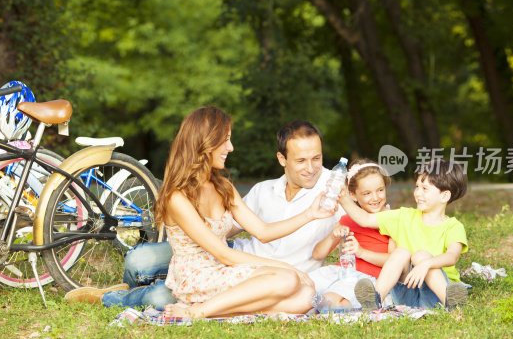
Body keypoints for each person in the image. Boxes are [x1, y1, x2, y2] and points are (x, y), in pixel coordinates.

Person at [64, 119, 343, 309]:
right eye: (301, 160)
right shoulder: (262, 189)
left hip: (238, 264)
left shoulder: (334, 190)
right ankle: (132, 287)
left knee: (163, 297)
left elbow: (370, 210)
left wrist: (312, 215)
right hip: (223, 259)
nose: (310, 167)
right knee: (139, 260)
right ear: (282, 160)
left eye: (316, 158)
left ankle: (121, 297)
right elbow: (230, 237)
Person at [157, 106, 333, 318]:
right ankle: (196, 312)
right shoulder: (177, 197)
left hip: (221, 271)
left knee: (306, 297)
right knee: (288, 279)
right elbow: (224, 254)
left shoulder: (224, 187)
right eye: (225, 140)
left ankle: (218, 309)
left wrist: (309, 215)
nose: (230, 148)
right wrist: (289, 268)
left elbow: (263, 232)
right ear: (204, 142)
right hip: (196, 278)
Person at [339, 159, 470, 310]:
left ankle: (453, 304)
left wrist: (425, 264)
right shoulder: (403, 217)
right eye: (417, 187)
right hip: (408, 295)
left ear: (444, 196)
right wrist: (343, 199)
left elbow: (452, 256)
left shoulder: (453, 226)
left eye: (424, 189)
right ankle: (375, 300)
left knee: (421, 256)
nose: (417, 193)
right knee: (401, 252)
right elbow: (365, 219)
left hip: (437, 296)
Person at [307, 159, 395, 309]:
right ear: (353, 195)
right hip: (340, 271)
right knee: (301, 286)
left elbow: (394, 261)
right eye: (367, 193)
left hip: (367, 278)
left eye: (380, 190)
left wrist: (361, 252)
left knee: (329, 301)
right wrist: (333, 237)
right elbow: (317, 254)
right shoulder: (347, 219)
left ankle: (359, 304)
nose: (375, 198)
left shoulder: (392, 219)